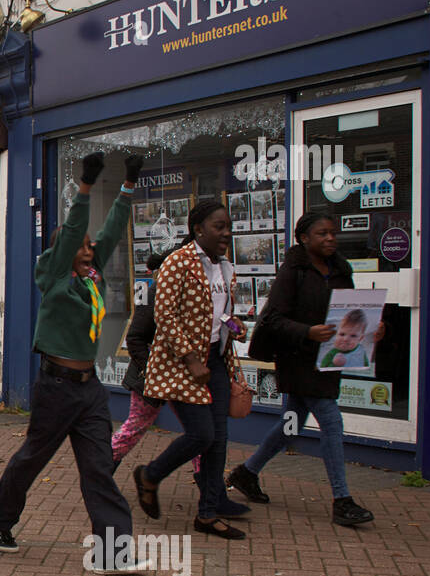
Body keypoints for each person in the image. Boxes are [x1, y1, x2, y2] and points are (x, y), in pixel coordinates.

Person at [0, 152, 149, 573]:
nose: (90, 248)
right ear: (64, 249)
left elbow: (110, 230)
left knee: (98, 468)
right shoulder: (53, 275)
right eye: (81, 244)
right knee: (32, 458)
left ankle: (113, 553)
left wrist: (128, 185)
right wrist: (85, 188)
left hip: (89, 390)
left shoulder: (92, 276)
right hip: (56, 388)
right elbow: (76, 228)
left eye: (90, 246)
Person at [227, 212, 376, 526]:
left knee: (292, 423)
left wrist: (373, 327)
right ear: (304, 238)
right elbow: (274, 320)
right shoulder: (292, 271)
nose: (330, 239)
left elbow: (352, 312)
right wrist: (307, 332)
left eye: (332, 232)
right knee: (331, 421)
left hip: (328, 357)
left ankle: (246, 472)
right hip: (297, 358)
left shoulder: (341, 269)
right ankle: (342, 500)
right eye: (322, 233)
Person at [133, 200, 249, 541]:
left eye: (228, 226)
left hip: (216, 359)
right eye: (219, 226)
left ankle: (208, 514)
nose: (226, 232)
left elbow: (218, 313)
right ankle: (149, 475)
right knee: (203, 435)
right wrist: (190, 357)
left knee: (219, 442)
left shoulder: (225, 267)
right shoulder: (177, 262)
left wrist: (232, 323)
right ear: (198, 229)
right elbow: (164, 315)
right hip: (180, 365)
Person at [112, 252, 246, 515]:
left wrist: (235, 327)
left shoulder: (204, 296)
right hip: (151, 379)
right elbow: (135, 339)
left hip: (188, 379)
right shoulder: (158, 292)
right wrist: (157, 370)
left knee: (199, 434)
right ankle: (101, 475)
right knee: (133, 429)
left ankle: (212, 494)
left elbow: (217, 325)